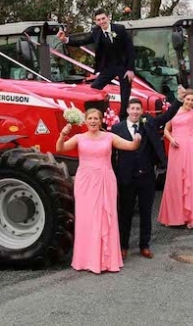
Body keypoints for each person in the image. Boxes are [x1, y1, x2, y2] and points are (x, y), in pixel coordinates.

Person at [56, 109, 140, 273]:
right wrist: (62, 135)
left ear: (101, 121)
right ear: (86, 121)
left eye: (96, 118)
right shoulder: (79, 138)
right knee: (86, 219)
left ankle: (106, 259)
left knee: (103, 217)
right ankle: (86, 259)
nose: (93, 121)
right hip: (85, 181)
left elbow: (131, 146)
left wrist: (137, 138)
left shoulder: (109, 137)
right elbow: (60, 149)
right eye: (90, 118)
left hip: (104, 180)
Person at [111, 87, 185, 260]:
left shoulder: (148, 123)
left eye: (138, 109)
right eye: (133, 109)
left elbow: (167, 117)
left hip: (147, 177)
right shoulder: (116, 128)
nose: (135, 111)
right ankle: (123, 247)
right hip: (126, 177)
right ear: (128, 110)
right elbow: (111, 153)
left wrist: (178, 100)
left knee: (146, 212)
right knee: (125, 213)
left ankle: (144, 245)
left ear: (142, 111)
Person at [57, 9, 135, 119]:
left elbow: (130, 49)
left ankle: (123, 120)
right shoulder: (96, 32)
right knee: (94, 88)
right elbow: (82, 41)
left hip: (124, 66)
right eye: (99, 20)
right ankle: (98, 115)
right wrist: (65, 39)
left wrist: (130, 69)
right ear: (96, 22)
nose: (102, 22)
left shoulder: (120, 29)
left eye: (103, 18)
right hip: (108, 67)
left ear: (108, 18)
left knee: (125, 95)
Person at [158, 78, 193, 229]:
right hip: (176, 147)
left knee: (190, 180)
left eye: (192, 100)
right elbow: (166, 129)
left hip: (189, 147)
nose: (190, 102)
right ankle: (173, 217)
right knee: (174, 180)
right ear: (183, 99)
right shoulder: (173, 111)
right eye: (188, 99)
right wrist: (171, 139)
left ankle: (190, 217)